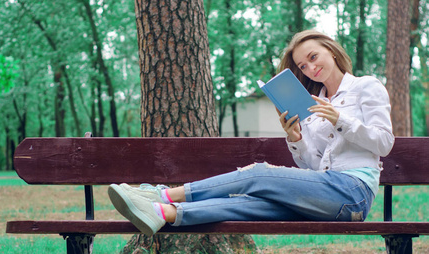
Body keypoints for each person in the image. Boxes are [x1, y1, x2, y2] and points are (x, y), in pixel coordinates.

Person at [107, 29, 395, 236]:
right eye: (303, 66)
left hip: (353, 193)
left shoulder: (365, 87)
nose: (310, 67)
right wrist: (296, 139)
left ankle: (163, 195)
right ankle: (163, 214)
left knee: (257, 173)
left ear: (331, 50)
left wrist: (340, 119)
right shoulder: (309, 104)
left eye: (313, 56)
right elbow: (314, 168)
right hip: (325, 193)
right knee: (252, 204)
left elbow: (384, 143)